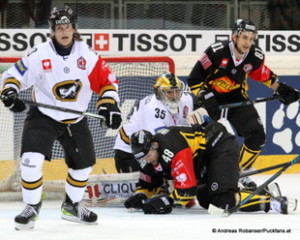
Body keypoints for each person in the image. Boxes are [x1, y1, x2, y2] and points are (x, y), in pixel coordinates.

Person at [0, 5, 122, 230]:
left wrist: (110, 105)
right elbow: (13, 75)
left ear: (74, 28)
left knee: (83, 167)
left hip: (75, 118)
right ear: (52, 31)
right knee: (30, 162)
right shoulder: (40, 53)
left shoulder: (87, 55)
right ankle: (32, 207)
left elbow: (108, 81)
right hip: (43, 116)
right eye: (59, 27)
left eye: (67, 26)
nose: (64, 31)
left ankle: (72, 205)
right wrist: (9, 91)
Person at [187, 19, 300, 190]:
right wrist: (205, 95)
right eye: (244, 37)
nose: (248, 42)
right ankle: (194, 176)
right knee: (200, 140)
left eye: (251, 38)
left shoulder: (255, 56)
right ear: (234, 37)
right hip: (208, 99)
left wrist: (281, 88)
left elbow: (263, 74)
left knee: (257, 136)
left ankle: (237, 171)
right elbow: (195, 78)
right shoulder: (216, 52)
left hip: (236, 98)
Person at [124, 127, 297, 215]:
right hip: (203, 160)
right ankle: (254, 191)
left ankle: (272, 201)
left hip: (218, 147)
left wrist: (167, 201)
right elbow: (148, 182)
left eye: (147, 154)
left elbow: (186, 191)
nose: (146, 159)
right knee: (208, 202)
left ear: (155, 145)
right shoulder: (150, 155)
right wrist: (141, 194)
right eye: (141, 157)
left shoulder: (172, 150)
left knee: (223, 202)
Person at [113, 73, 194, 173]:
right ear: (159, 92)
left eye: (177, 91)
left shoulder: (186, 100)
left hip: (148, 149)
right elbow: (158, 143)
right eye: (169, 92)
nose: (174, 96)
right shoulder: (152, 108)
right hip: (129, 151)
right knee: (143, 184)